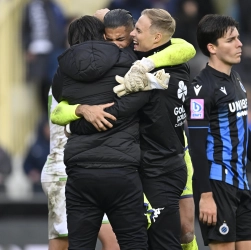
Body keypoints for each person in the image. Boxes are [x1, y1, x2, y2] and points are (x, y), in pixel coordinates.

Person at [52, 8, 195, 250]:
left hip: (165, 157)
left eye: (126, 37)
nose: (117, 45)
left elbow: (187, 48)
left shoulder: (140, 58)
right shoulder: (118, 63)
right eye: (110, 39)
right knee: (147, 240)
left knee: (185, 231)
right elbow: (59, 111)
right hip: (134, 165)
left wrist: (147, 65)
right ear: (101, 38)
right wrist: (82, 111)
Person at [52, 15, 150, 250]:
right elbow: (143, 95)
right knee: (134, 243)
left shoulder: (62, 73)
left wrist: (79, 120)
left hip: (80, 171)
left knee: (80, 246)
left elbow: (59, 105)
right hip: (122, 170)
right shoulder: (128, 60)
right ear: (102, 36)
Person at [185, 14, 251, 250]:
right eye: (231, 40)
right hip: (216, 186)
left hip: (242, 185)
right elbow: (195, 146)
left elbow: (241, 129)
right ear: (212, 48)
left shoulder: (236, 79)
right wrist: (205, 195)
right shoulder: (201, 89)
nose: (240, 44)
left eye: (238, 37)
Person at [41, 88, 120, 250]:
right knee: (64, 243)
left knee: (113, 241)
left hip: (84, 167)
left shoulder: (76, 73)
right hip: (63, 170)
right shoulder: (68, 78)